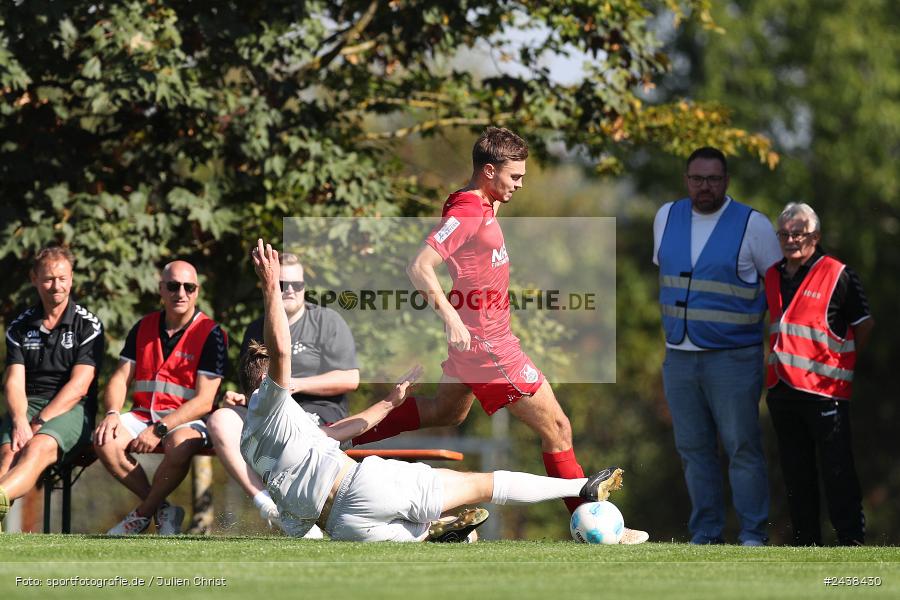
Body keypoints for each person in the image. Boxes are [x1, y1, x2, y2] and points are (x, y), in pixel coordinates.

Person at [240, 238, 648, 543]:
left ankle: (436, 530)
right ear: (265, 382)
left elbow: (333, 434)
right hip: (361, 486)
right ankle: (580, 488)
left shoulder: (250, 439)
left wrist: (388, 402)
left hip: (343, 525)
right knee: (486, 484)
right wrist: (269, 287)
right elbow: (279, 348)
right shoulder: (270, 403)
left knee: (425, 540)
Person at [351, 127, 589, 514]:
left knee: (446, 412)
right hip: (489, 345)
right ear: (490, 171)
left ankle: (342, 438)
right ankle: (589, 523)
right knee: (558, 428)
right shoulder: (468, 210)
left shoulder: (481, 202)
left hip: (478, 342)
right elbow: (419, 266)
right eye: (515, 177)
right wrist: (451, 318)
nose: (521, 185)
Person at [653, 147, 782, 545]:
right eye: (696, 178)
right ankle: (705, 533)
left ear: (725, 181)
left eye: (712, 179)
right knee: (693, 450)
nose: (704, 186)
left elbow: (776, 288)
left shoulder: (753, 224)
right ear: (686, 180)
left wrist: (778, 343)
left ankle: (753, 535)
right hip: (679, 356)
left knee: (742, 447)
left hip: (734, 357)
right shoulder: (665, 217)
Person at [207, 252, 359, 533]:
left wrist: (295, 385)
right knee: (220, 419)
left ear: (304, 288)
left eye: (297, 285)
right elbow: (255, 387)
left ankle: (306, 517)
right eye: (282, 283)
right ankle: (267, 504)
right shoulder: (256, 327)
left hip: (318, 414)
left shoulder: (327, 321)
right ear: (269, 284)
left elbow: (350, 378)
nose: (290, 290)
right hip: (271, 416)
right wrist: (242, 398)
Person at [93, 260, 228, 535]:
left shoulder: (212, 334)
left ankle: (141, 514)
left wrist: (160, 429)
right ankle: (162, 508)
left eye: (189, 287)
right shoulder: (142, 327)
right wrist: (112, 414)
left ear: (197, 291)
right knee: (104, 439)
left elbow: (204, 401)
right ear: (161, 290)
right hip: (144, 415)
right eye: (173, 286)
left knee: (178, 444)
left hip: (192, 419)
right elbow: (120, 378)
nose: (181, 293)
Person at [765, 203, 872, 546]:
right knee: (796, 474)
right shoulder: (772, 274)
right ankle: (805, 541)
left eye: (799, 233)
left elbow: (864, 325)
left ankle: (850, 540)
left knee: (837, 469)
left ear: (816, 236)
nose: (791, 239)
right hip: (782, 389)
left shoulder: (838, 274)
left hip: (825, 392)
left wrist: (841, 362)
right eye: (784, 233)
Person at [0, 247, 104, 532]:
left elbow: (79, 386)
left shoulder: (88, 325)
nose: (56, 286)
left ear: (71, 279)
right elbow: (13, 381)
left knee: (37, 447)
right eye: (48, 279)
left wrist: (39, 422)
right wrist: (21, 420)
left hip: (71, 409)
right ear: (34, 279)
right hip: (27, 405)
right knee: (8, 453)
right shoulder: (19, 326)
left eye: (62, 278)